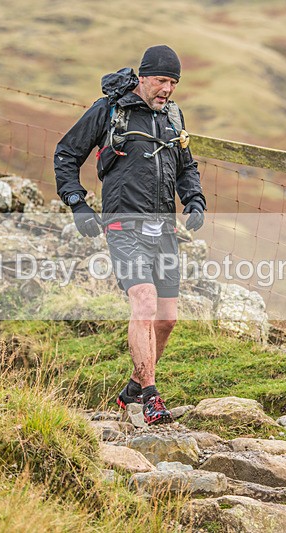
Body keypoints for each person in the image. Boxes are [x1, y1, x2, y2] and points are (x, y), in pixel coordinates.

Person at [55, 45, 206, 426]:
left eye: (173, 82)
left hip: (164, 228)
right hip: (124, 225)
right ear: (143, 77)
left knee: (167, 319)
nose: (167, 89)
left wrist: (194, 200)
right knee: (144, 301)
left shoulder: (173, 116)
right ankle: (152, 397)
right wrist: (77, 203)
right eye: (161, 80)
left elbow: (186, 166)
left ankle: (133, 389)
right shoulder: (109, 111)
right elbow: (66, 154)